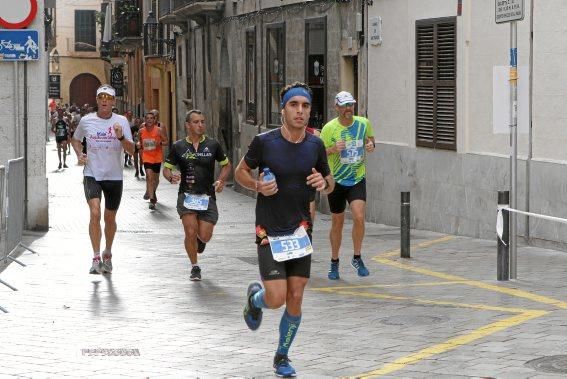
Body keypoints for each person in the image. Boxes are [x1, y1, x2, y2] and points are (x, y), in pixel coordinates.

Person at [235, 82, 334, 377]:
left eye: (305, 106)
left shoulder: (315, 145)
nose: (300, 111)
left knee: (296, 295)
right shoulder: (265, 142)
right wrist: (257, 186)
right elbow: (241, 171)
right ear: (283, 110)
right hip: (270, 230)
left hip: (301, 231)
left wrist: (323, 184)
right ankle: (255, 299)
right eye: (294, 105)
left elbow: (328, 182)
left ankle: (282, 356)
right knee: (275, 297)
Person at [71, 84, 135, 275]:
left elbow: (132, 149)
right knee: (95, 213)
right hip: (92, 174)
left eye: (108, 98)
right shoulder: (86, 121)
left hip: (114, 176)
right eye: (101, 97)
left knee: (109, 218)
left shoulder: (122, 121)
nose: (105, 101)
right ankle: (96, 256)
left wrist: (121, 136)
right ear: (97, 100)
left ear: (113, 101)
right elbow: (75, 140)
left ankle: (108, 252)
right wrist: (79, 153)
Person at [162, 110, 231, 281]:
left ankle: (200, 242)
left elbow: (226, 165)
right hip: (186, 195)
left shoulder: (213, 145)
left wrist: (221, 181)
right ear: (187, 125)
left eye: (203, 121)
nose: (200, 125)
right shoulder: (178, 146)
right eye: (196, 122)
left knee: (204, 235)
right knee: (190, 231)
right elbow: (166, 168)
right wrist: (171, 177)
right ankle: (195, 266)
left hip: (207, 196)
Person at [320, 91, 376, 280]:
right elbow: (320, 154)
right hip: (336, 181)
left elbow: (371, 141)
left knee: (359, 216)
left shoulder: (363, 123)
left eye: (350, 105)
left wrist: (370, 146)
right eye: (344, 106)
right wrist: (333, 149)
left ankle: (357, 257)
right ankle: (334, 262)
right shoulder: (329, 128)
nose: (348, 109)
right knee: (338, 222)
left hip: (357, 178)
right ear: (336, 107)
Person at [137, 111, 168, 209]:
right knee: (149, 177)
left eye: (151, 118)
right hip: (147, 157)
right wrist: (139, 145)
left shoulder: (159, 130)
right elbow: (140, 141)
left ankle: (153, 192)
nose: (149, 120)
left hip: (157, 157)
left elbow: (166, 141)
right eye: (147, 118)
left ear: (154, 120)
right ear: (145, 120)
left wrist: (160, 143)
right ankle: (151, 200)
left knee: (156, 179)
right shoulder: (141, 131)